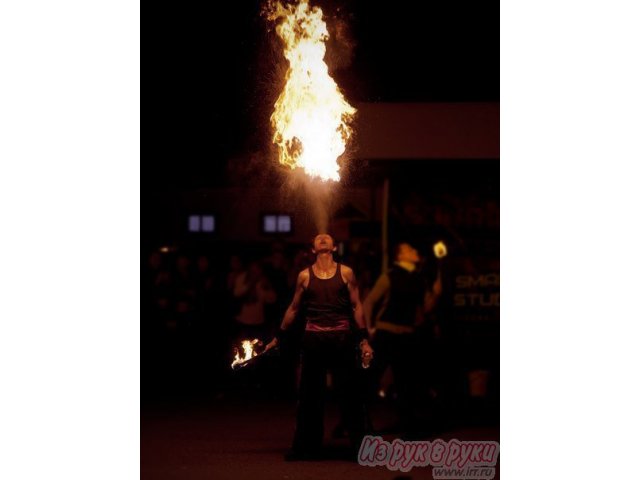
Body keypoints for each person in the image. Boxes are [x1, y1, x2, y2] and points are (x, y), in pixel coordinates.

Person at [265, 233, 374, 460]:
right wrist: (279, 337)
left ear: (334, 246)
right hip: (313, 339)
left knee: (351, 395)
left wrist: (363, 339)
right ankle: (305, 448)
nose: (323, 238)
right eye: (318, 238)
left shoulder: (346, 272)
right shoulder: (304, 276)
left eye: (327, 237)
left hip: (342, 339)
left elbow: (357, 306)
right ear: (313, 249)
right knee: (309, 397)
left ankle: (361, 449)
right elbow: (293, 309)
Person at [363, 242, 442, 435]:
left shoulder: (419, 278)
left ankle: (408, 427)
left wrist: (436, 292)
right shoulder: (389, 276)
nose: (415, 250)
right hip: (386, 333)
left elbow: (425, 308)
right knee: (372, 378)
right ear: (399, 257)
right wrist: (368, 328)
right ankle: (357, 424)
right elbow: (369, 302)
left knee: (406, 382)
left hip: (407, 334)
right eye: (409, 249)